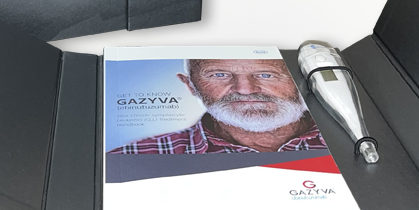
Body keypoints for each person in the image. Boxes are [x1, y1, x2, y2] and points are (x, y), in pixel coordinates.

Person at [111, 58, 327, 154]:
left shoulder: (343, 142)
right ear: (190, 85)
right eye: (219, 75)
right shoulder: (131, 157)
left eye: (266, 75)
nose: (245, 89)